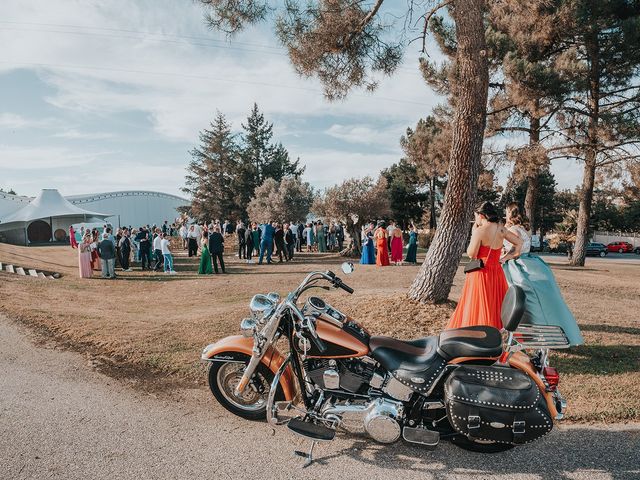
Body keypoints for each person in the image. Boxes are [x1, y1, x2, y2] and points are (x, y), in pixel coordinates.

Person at [501, 203, 583, 345]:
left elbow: (516, 250)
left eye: (507, 211)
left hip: (516, 265)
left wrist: (504, 258)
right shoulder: (525, 229)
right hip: (529, 261)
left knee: (516, 298)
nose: (505, 213)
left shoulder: (513, 229)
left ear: (511, 213)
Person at [446, 201, 523, 330]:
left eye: (475, 216)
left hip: (480, 272)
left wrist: (473, 233)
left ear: (481, 215)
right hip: (497, 271)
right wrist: (506, 258)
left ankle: (480, 334)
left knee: (479, 305)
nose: (475, 219)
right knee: (496, 304)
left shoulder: (480, 231)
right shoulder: (501, 229)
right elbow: (519, 243)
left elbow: (471, 254)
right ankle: (498, 334)